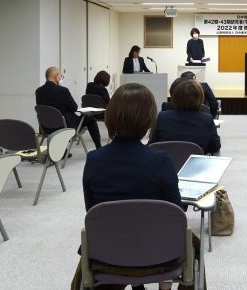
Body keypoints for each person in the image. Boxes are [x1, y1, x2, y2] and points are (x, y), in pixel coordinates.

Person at [72, 83, 184, 290]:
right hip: (158, 255)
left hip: (108, 256)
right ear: (149, 119)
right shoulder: (161, 161)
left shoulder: (94, 160)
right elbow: (177, 212)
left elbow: (93, 211)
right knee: (191, 241)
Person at [35, 66, 102, 149]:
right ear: (56, 75)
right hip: (64, 126)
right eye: (61, 75)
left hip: (46, 127)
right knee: (90, 119)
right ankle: (99, 147)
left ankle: (61, 152)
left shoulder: (38, 91)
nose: (61, 77)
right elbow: (74, 108)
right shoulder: (63, 90)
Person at [149, 80, 221, 154]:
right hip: (195, 164)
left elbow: (152, 144)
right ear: (200, 98)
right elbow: (215, 146)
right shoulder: (207, 119)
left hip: (166, 163)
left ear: (175, 97)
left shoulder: (162, 117)